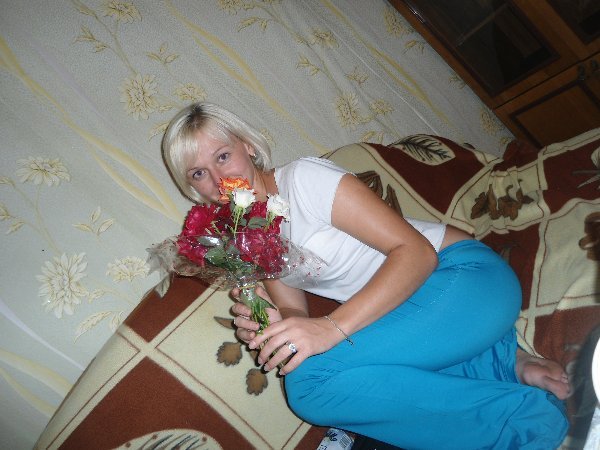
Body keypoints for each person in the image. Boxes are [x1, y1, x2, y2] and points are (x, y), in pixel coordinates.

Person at [162, 102, 571, 449]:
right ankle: (498, 363)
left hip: (467, 278)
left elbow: (416, 253)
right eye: (198, 173)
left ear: (248, 146)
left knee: (310, 384)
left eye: (222, 156)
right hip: (426, 318)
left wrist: (331, 327)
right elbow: (293, 309)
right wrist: (275, 324)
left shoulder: (303, 180)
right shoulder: (250, 235)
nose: (216, 180)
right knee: (327, 374)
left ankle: (526, 423)